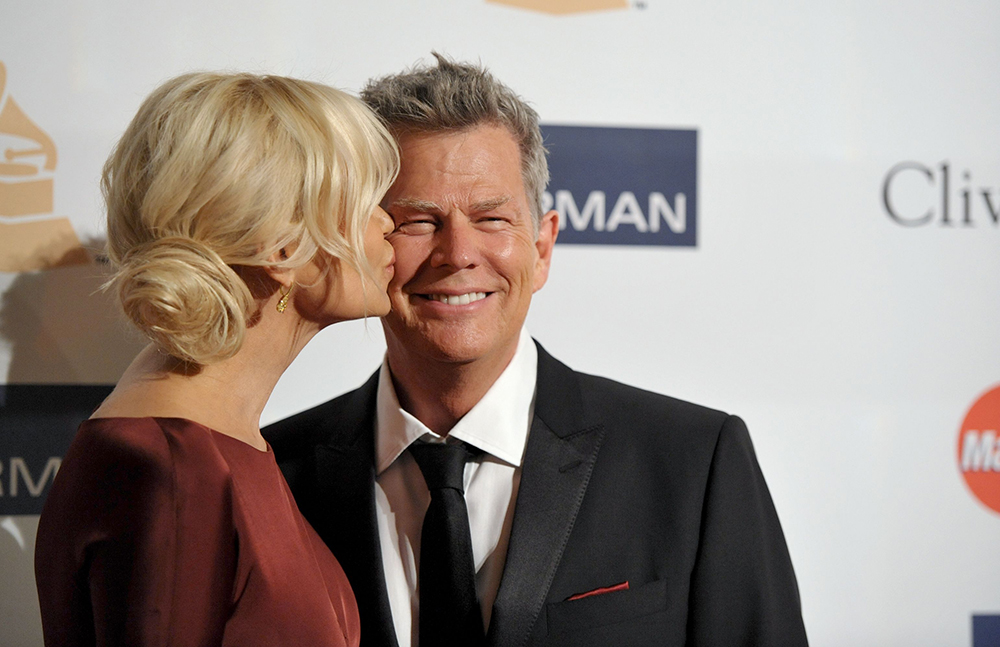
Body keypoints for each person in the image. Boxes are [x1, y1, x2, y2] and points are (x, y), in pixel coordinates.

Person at [265, 54, 809, 647]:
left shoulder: (692, 463)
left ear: (542, 248)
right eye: (418, 221)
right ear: (364, 245)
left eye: (491, 218)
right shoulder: (273, 475)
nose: (458, 253)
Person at [34, 71, 399, 647]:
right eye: (366, 203)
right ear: (282, 250)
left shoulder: (211, 446)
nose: (388, 223)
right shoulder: (171, 467)